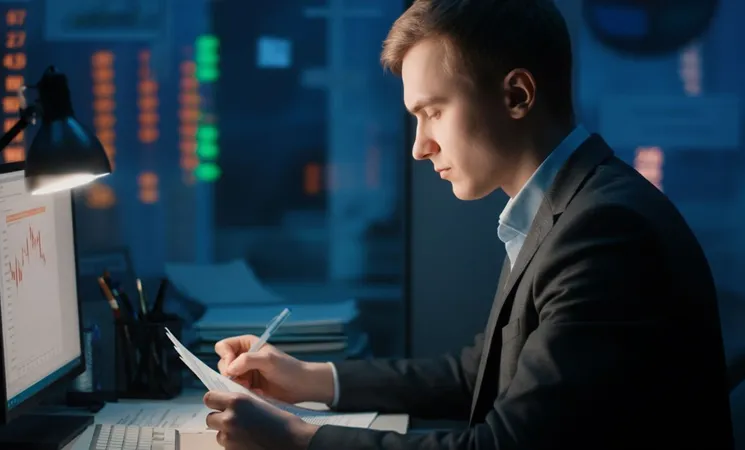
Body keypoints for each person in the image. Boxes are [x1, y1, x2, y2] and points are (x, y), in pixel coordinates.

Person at [202, 0, 734, 448]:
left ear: (517, 96)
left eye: (433, 111)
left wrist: (299, 440)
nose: (419, 146)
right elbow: (474, 372)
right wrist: (309, 378)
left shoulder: (605, 233)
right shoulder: (570, 208)